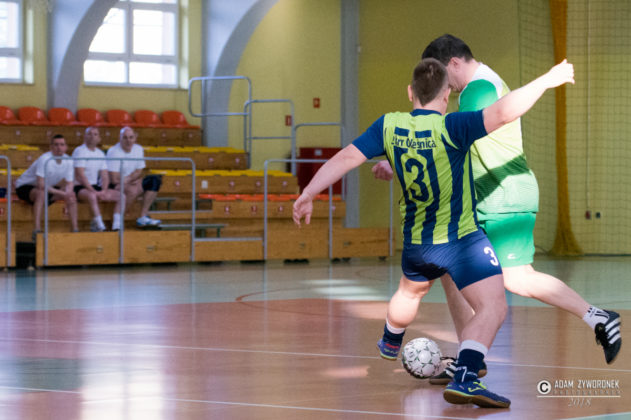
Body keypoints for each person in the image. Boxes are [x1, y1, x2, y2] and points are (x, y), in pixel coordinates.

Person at [293, 57, 575, 408]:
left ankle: (391, 339)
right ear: (445, 96)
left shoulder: (388, 126)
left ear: (410, 92)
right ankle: (466, 377)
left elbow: (346, 158)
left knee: (409, 292)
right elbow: (505, 111)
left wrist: (309, 193)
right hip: (459, 242)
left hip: (416, 245)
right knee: (493, 307)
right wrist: (546, 80)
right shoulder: (452, 127)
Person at [372, 35, 621, 384]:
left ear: (454, 63)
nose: (443, 86)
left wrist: (396, 162)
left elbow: (446, 144)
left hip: (505, 196)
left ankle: (598, 317)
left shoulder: (478, 91)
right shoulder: (479, 86)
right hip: (486, 197)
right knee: (450, 272)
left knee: (517, 278)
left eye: (443, 75)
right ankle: (470, 358)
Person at [15, 134, 79, 238]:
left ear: (66, 147)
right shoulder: (44, 159)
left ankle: (75, 230)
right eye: (56, 145)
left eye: (62, 145)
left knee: (71, 196)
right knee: (41, 194)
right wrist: (62, 193)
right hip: (25, 186)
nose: (59, 147)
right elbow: (40, 185)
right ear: (51, 147)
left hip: (48, 188)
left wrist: (68, 193)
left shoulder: (69, 161)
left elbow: (70, 183)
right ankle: (37, 230)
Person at [106, 126, 162, 230]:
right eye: (125, 138)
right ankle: (118, 220)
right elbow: (114, 178)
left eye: (131, 137)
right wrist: (129, 180)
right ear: (120, 138)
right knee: (132, 190)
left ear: (135, 138)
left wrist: (129, 179)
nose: (128, 141)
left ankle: (143, 216)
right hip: (114, 184)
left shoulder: (138, 149)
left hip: (130, 181)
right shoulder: (113, 151)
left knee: (155, 180)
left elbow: (139, 171)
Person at [72, 126, 120, 232]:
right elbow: (80, 175)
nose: (92, 136)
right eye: (89, 134)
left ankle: (116, 225)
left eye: (95, 134)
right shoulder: (80, 151)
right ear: (85, 136)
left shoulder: (100, 153)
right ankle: (100, 225)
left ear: (99, 138)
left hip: (94, 186)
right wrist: (93, 191)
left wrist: (104, 190)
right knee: (92, 196)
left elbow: (105, 175)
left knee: (122, 196)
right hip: (79, 187)